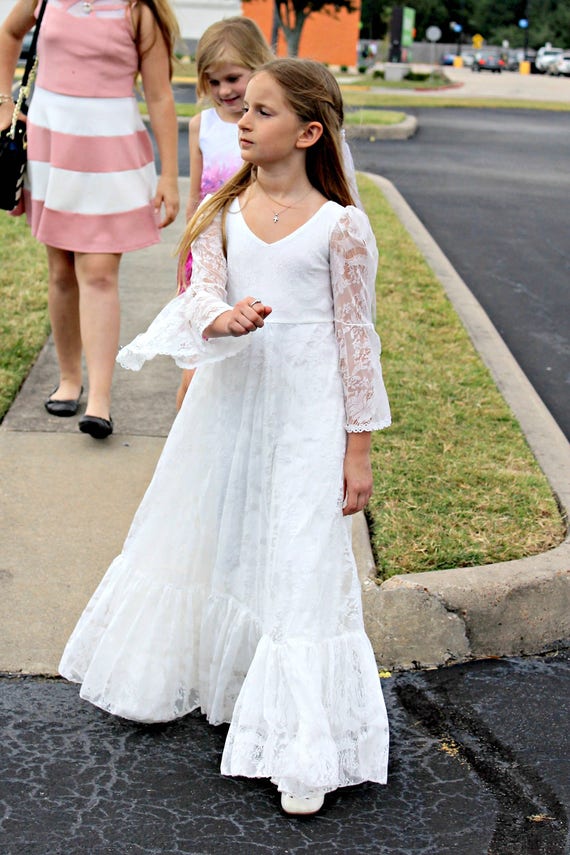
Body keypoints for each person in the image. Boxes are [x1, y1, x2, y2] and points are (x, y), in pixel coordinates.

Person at [59, 58, 391, 816]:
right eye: (243, 107)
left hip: (308, 410)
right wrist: (220, 317)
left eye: (263, 111)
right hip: (233, 400)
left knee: (300, 554)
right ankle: (223, 677)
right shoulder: (226, 213)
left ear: (308, 132)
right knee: (223, 535)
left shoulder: (342, 228)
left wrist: (358, 448)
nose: (241, 117)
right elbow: (200, 290)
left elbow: (357, 339)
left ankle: (302, 747)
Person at [0, 0, 180, 439]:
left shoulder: (140, 10)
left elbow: (159, 94)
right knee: (61, 269)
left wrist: (170, 176)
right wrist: (3, 103)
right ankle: (69, 379)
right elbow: (8, 34)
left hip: (110, 153)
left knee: (98, 272)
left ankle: (99, 399)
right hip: (52, 146)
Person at [175, 15, 273, 410]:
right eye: (212, 82)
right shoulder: (202, 125)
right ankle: (182, 452)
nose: (223, 90)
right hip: (208, 260)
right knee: (195, 366)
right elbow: (196, 199)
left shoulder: (270, 128)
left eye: (233, 78)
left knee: (241, 364)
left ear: (259, 67)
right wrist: (186, 267)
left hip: (254, 254)